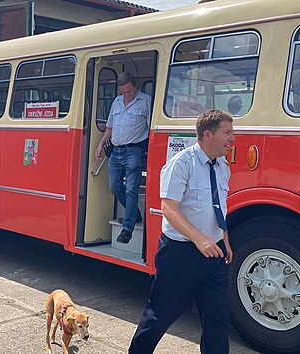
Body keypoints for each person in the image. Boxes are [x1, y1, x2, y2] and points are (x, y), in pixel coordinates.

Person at [129, 109, 235, 354]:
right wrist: (200, 240)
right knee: (160, 315)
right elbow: (168, 208)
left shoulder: (222, 166)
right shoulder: (181, 163)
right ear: (208, 134)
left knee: (218, 319)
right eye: (227, 132)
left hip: (215, 254)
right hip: (181, 254)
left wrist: (224, 240)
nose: (232, 138)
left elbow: (219, 207)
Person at [95, 72, 152, 244]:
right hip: (116, 151)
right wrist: (100, 144)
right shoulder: (117, 102)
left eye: (129, 91)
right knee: (115, 186)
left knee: (131, 189)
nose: (126, 95)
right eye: (123, 92)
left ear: (135, 86)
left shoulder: (146, 101)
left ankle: (127, 229)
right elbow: (110, 127)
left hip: (134, 151)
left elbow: (151, 128)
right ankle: (134, 215)